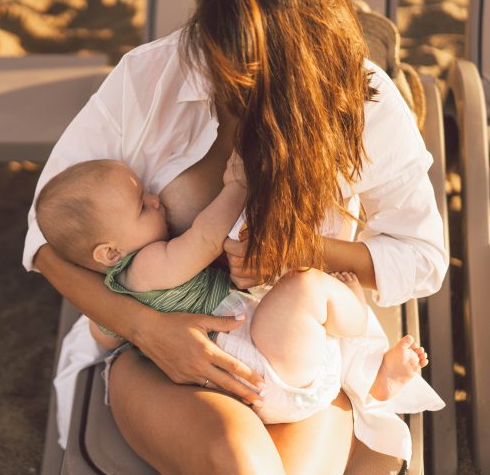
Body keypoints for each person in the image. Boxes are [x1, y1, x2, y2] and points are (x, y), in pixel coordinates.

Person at [23, 0, 448, 472]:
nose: (219, 80)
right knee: (239, 462)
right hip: (157, 350)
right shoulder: (148, 78)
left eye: (247, 75)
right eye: (211, 52)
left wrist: (301, 250)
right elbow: (44, 243)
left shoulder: (361, 101)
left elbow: (422, 257)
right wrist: (145, 328)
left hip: (297, 352)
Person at [34, 158, 442, 432]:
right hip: (258, 368)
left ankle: (373, 382)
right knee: (305, 288)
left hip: (240, 385)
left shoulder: (114, 295)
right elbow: (206, 238)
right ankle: (356, 317)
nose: (156, 200)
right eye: (143, 206)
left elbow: (105, 336)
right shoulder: (146, 266)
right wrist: (237, 186)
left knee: (297, 319)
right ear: (110, 253)